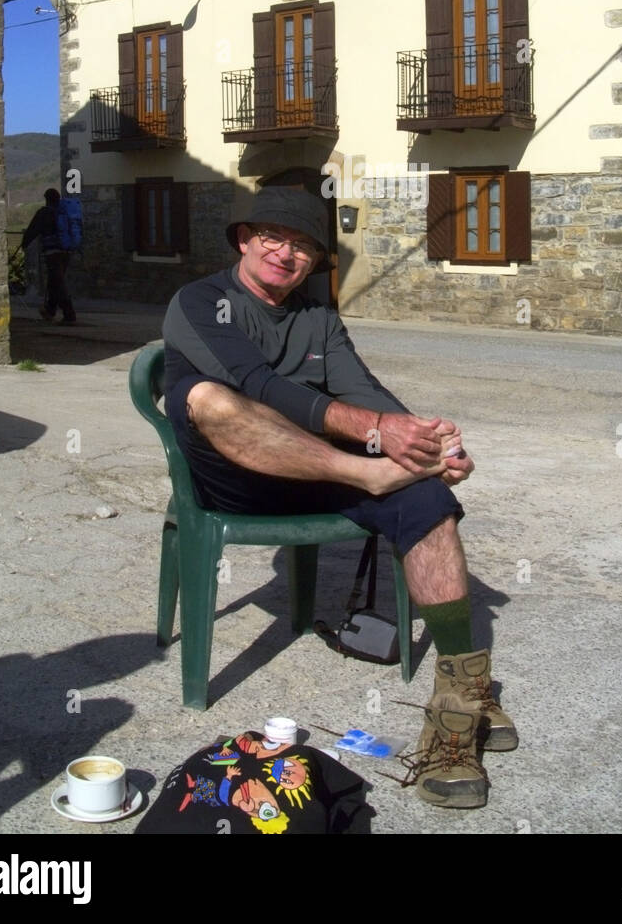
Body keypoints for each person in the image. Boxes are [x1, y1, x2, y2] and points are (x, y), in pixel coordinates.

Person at [162, 185, 516, 809]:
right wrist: (375, 442)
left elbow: (362, 388)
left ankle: (462, 701)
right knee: (211, 399)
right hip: (233, 481)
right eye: (271, 236)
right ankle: (366, 475)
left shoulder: (318, 316)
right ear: (243, 240)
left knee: (426, 501)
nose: (285, 252)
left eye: (302, 245)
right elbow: (258, 385)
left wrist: (425, 442)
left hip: (326, 473)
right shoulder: (201, 302)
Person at [21, 188, 76, 325]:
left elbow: (33, 230)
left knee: (57, 282)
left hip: (52, 252)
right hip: (67, 251)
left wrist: (24, 244)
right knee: (54, 280)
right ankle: (50, 310)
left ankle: (69, 313)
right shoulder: (65, 212)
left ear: (47, 199)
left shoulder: (44, 212)